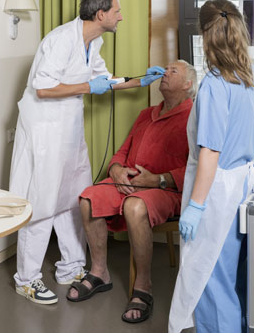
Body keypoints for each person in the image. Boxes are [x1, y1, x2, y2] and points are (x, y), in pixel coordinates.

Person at [9, 0, 165, 304]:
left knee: (73, 195)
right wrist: (87, 86)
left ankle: (71, 266)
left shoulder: (94, 41)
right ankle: (26, 278)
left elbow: (104, 81)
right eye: (117, 11)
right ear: (101, 14)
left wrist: (139, 80)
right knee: (43, 199)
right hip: (45, 127)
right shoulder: (60, 40)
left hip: (69, 127)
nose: (121, 16)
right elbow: (42, 89)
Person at [168, 0, 254, 333]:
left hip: (218, 192)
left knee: (210, 279)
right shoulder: (251, 75)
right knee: (236, 276)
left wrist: (195, 207)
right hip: (246, 185)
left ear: (204, 34)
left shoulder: (214, 83)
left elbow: (210, 152)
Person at [70, 61, 197, 323]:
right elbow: (122, 152)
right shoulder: (145, 114)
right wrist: (116, 169)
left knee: (135, 206)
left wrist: (159, 179)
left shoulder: (195, 117)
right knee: (88, 198)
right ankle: (99, 273)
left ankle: (143, 286)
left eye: (173, 71)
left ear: (188, 85)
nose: (165, 73)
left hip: (166, 190)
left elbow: (197, 168)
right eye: (165, 69)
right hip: (128, 182)